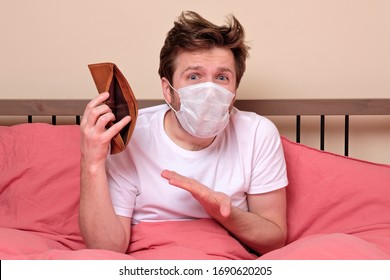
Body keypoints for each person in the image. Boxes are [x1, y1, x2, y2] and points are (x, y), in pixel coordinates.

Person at [79, 10, 288, 256]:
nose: (209, 90)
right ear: (168, 91)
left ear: (235, 89)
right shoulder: (132, 135)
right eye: (193, 76)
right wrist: (91, 162)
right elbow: (107, 248)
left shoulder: (257, 133)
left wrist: (223, 211)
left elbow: (274, 238)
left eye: (222, 77)